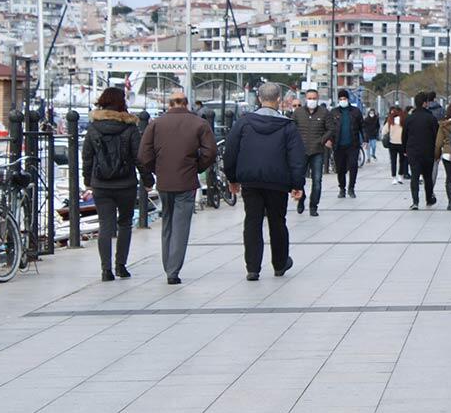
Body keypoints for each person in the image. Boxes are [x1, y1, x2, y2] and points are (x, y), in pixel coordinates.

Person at [224, 82, 305, 281]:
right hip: (278, 181)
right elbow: (296, 158)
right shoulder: (287, 126)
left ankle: (253, 268)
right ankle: (280, 263)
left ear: (259, 99)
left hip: (250, 180)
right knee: (277, 222)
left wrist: (232, 178)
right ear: (278, 99)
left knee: (252, 221)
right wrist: (297, 184)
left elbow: (230, 151)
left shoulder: (244, 122)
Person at [139, 89, 216, 284]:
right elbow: (210, 152)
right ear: (186, 103)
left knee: (167, 221)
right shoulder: (199, 123)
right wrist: (197, 167)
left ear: (169, 104)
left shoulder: (156, 124)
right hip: (186, 180)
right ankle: (173, 270)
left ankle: (168, 264)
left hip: (164, 180)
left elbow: (144, 154)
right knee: (181, 226)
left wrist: (157, 169)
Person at [82, 87, 153, 281]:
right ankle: (121, 265)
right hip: (125, 184)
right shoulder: (130, 128)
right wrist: (148, 180)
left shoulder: (93, 127)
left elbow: (87, 157)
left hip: (101, 184)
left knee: (105, 225)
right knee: (125, 224)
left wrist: (88, 181)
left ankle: (106, 270)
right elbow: (139, 158)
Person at [291, 89, 331, 216]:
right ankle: (301, 199)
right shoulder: (298, 113)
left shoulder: (324, 112)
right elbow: (291, 129)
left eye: (314, 98)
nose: (311, 100)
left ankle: (313, 206)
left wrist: (322, 140)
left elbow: (331, 129)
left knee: (317, 180)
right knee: (299, 178)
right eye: (309, 98)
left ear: (317, 99)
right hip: (301, 151)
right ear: (305, 99)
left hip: (317, 151)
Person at [404, 92, 440, 209]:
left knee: (414, 176)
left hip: (413, 151)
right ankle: (429, 199)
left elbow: (404, 136)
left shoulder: (410, 118)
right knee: (427, 176)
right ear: (425, 103)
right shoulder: (431, 118)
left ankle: (415, 201)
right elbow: (436, 135)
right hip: (428, 151)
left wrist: (405, 149)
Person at [328, 88, 364, 198]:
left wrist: (365, 139)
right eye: (340, 99)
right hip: (338, 145)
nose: (342, 100)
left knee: (353, 166)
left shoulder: (355, 111)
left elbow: (362, 126)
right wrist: (329, 140)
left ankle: (351, 188)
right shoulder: (334, 112)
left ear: (348, 99)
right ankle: (342, 188)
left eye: (344, 98)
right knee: (340, 168)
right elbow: (329, 128)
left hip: (353, 144)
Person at [382, 106, 408, 184]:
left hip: (392, 143)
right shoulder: (404, 121)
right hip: (402, 144)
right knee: (402, 161)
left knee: (393, 161)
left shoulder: (390, 120)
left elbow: (384, 131)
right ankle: (400, 176)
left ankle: (394, 177)